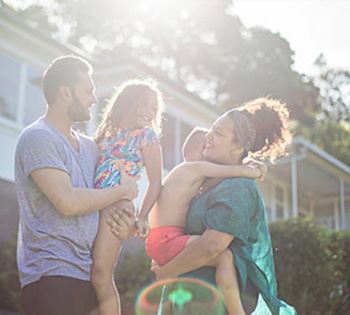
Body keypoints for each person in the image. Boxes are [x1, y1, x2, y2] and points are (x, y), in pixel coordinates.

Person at [15, 55, 138, 315]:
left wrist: (129, 223)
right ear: (65, 93)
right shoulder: (38, 138)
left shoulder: (91, 148)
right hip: (53, 275)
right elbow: (68, 202)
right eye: (88, 91)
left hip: (89, 275)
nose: (94, 98)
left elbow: (105, 202)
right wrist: (122, 191)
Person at [150, 98, 296, 315]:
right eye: (211, 129)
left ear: (238, 146)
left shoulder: (237, 187)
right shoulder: (206, 180)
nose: (208, 137)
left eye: (218, 133)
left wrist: (166, 272)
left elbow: (212, 246)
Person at [146, 127, 267, 315]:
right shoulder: (195, 168)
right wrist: (256, 171)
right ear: (202, 149)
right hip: (166, 238)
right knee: (224, 257)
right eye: (209, 145)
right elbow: (232, 171)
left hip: (160, 239)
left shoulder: (184, 175)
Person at [91, 79, 163, 315]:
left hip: (117, 208)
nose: (149, 111)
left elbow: (155, 183)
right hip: (91, 203)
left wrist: (142, 218)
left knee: (101, 274)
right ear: (127, 102)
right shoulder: (105, 134)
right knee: (86, 271)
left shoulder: (146, 136)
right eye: (144, 104)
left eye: (154, 108)